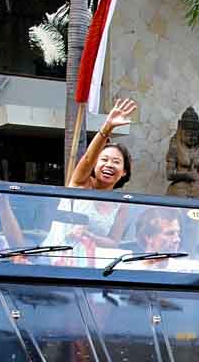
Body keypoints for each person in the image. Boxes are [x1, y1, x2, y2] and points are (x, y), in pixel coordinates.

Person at [46, 99, 139, 255]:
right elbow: (88, 158)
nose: (109, 165)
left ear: (124, 171)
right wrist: (107, 127)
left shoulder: (121, 205)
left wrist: (88, 235)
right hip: (56, 257)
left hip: (90, 264)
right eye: (104, 160)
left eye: (116, 162)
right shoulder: (80, 184)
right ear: (95, 165)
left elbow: (113, 242)